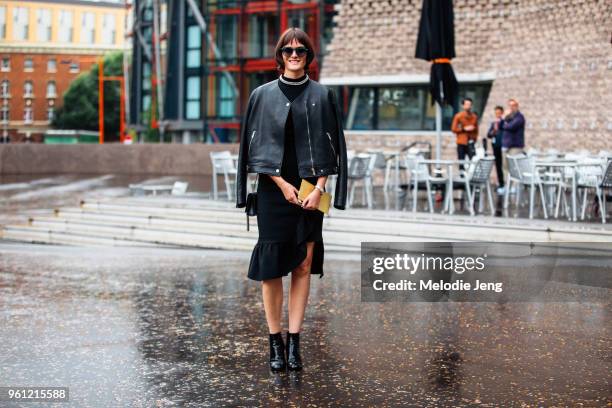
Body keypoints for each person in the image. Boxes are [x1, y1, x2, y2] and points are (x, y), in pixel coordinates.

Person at [235, 28, 348, 372]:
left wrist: (319, 188)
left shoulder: (323, 95)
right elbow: (253, 150)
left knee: (302, 265)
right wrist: (282, 184)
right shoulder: (262, 95)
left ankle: (295, 341)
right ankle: (275, 341)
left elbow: (333, 148)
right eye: (288, 50)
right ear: (280, 55)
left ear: (309, 55)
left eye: (301, 50)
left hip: (310, 191)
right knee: (272, 268)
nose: (295, 54)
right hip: (274, 190)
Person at [501, 98, 526, 192]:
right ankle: (507, 185)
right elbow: (501, 126)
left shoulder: (520, 117)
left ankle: (515, 186)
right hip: (506, 146)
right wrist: (504, 119)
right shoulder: (508, 118)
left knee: (514, 166)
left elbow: (510, 127)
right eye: (510, 106)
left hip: (515, 146)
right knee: (505, 167)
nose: (511, 108)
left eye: (513, 105)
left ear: (517, 106)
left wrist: (505, 121)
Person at [451, 97, 479, 171]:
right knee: (461, 161)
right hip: (461, 142)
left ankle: (471, 177)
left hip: (471, 141)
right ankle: (462, 177)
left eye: (469, 104)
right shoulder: (458, 116)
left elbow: (476, 130)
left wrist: (474, 139)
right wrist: (464, 129)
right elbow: (453, 129)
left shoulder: (474, 117)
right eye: (466, 104)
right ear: (463, 106)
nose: (468, 106)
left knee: (473, 160)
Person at [487, 105, 505, 194]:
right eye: (496, 113)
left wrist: (500, 121)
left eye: (499, 113)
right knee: (497, 165)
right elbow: (489, 134)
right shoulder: (493, 123)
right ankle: (500, 183)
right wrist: (493, 131)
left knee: (503, 165)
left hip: (502, 146)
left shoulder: (504, 122)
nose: (497, 114)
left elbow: (503, 127)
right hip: (495, 146)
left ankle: (504, 183)